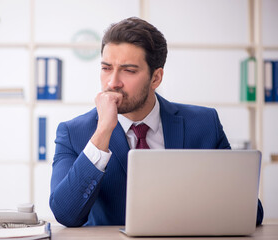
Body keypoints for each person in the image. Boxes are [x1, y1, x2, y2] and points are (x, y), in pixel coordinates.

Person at [49, 17, 264, 227]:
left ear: (156, 78)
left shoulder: (205, 124)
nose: (112, 82)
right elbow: (65, 214)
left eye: (128, 70)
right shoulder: (73, 133)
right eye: (106, 68)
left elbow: (252, 212)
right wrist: (103, 131)